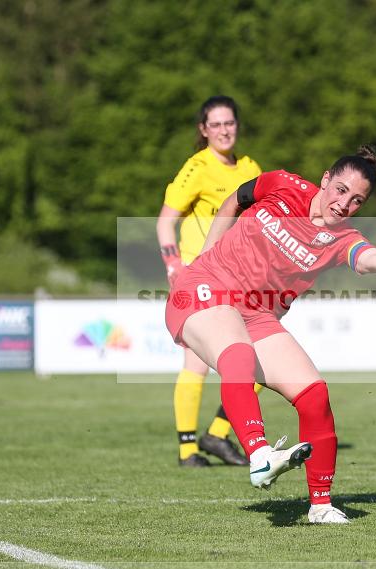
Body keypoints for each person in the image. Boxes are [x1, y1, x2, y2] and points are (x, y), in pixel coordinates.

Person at [164, 146, 376, 523]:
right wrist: (206, 257)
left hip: (257, 313)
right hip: (207, 288)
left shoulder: (342, 239)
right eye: (340, 190)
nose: (344, 204)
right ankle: (259, 456)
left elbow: (369, 261)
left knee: (314, 395)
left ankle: (320, 505)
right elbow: (234, 200)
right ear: (324, 179)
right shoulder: (283, 184)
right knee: (237, 354)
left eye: (356, 201)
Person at [156, 96, 261, 467]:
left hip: (237, 277)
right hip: (198, 275)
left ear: (237, 125)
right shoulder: (197, 167)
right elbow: (165, 221)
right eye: (215, 124)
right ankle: (188, 451)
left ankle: (216, 435)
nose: (224, 130)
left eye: (229, 123)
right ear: (204, 130)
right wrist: (174, 268)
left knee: (258, 360)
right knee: (197, 364)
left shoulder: (249, 168)